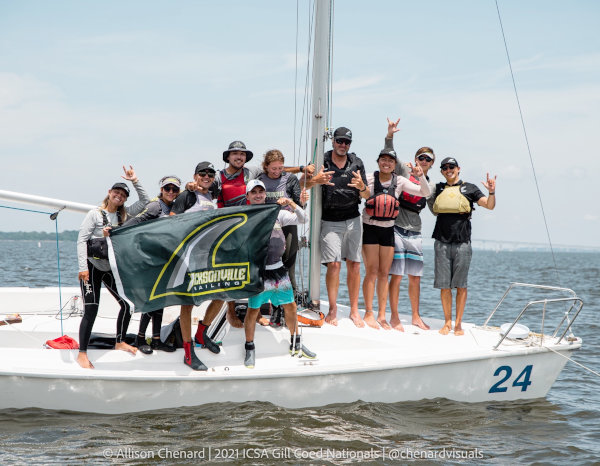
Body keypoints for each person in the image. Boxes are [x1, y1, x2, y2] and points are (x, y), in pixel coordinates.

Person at [76, 166, 150, 369]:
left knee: (128, 304)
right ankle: (82, 353)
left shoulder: (124, 216)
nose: (119, 196)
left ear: (125, 199)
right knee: (91, 309)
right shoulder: (95, 214)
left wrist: (135, 180)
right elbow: (82, 240)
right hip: (91, 269)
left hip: (111, 269)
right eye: (116, 192)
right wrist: (83, 268)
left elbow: (146, 202)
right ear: (109, 193)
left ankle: (119, 341)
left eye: (123, 195)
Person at [242, 180, 315, 368]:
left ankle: (295, 342)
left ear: (265, 194)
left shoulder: (277, 213)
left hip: (278, 270)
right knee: (253, 310)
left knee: (290, 307)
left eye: (261, 191)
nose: (258, 195)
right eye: (254, 192)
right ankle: (249, 348)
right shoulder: (244, 215)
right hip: (258, 272)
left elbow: (304, 218)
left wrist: (291, 203)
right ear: (248, 196)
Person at [303, 127, 370, 327]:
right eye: (339, 141)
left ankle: (354, 311)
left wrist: (362, 188)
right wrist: (316, 180)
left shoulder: (357, 163)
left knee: (355, 265)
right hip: (330, 220)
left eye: (346, 142)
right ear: (333, 141)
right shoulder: (320, 161)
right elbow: (301, 185)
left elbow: (366, 196)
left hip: (353, 219)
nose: (343, 145)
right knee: (334, 265)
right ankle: (332, 309)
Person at [361, 148, 431, 330]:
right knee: (371, 271)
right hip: (370, 228)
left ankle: (382, 316)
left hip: (388, 230)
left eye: (390, 161)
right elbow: (357, 193)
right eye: (383, 159)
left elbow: (425, 193)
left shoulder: (399, 180)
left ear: (394, 164)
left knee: (384, 273)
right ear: (378, 161)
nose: (387, 163)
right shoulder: (368, 177)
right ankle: (369, 312)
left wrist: (420, 176)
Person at [428, 157, 496, 335]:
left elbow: (489, 206)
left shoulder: (470, 188)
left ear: (458, 169)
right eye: (444, 168)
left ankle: (458, 324)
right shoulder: (438, 188)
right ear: (442, 171)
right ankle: (447, 322)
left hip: (463, 242)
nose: (448, 170)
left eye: (451, 167)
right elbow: (423, 191)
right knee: (444, 286)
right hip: (441, 242)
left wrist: (492, 192)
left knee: (461, 285)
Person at [384, 118, 436, 331]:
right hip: (396, 227)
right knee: (396, 275)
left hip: (415, 232)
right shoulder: (404, 171)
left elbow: (434, 205)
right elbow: (388, 155)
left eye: (428, 159)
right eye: (420, 157)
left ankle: (415, 316)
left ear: (431, 163)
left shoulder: (430, 184)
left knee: (415, 277)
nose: (423, 161)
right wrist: (390, 135)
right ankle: (394, 316)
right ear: (415, 159)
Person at [122, 175, 183, 355]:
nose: (171, 192)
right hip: (150, 260)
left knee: (161, 300)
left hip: (165, 260)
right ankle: (141, 338)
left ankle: (156, 339)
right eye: (167, 189)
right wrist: (118, 231)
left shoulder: (175, 207)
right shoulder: (155, 205)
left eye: (175, 189)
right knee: (151, 300)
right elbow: (135, 222)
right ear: (161, 190)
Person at [171, 161, 221, 370]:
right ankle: (188, 350)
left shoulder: (212, 195)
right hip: (189, 257)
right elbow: (172, 220)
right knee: (187, 304)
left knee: (222, 294)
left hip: (208, 256)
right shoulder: (187, 196)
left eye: (210, 173)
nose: (207, 176)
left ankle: (202, 332)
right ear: (195, 175)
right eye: (203, 173)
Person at [256, 149, 304, 322]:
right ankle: (272, 306)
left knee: (287, 264)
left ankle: (287, 309)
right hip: (268, 225)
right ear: (266, 167)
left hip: (287, 222)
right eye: (273, 168)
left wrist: (299, 201)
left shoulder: (289, 179)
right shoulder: (260, 178)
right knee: (268, 265)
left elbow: (298, 204)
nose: (277, 172)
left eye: (280, 168)